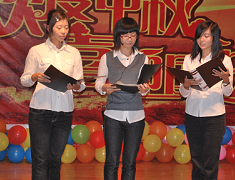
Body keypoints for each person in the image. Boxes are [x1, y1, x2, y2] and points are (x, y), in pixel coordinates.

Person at [20, 9, 85, 180]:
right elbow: (24, 80)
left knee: (56, 159)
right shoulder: (36, 51)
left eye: (66, 27)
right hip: (41, 111)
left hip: (64, 112)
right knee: (40, 159)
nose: (63, 31)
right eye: (59, 27)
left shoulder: (74, 53)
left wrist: (77, 85)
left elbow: (81, 83)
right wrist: (35, 76)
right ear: (48, 27)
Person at [95, 18, 150, 180]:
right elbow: (98, 83)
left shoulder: (143, 58)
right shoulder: (107, 57)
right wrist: (104, 88)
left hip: (136, 116)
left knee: (130, 163)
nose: (129, 39)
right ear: (118, 36)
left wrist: (144, 90)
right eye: (125, 35)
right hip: (113, 115)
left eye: (133, 35)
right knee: (111, 162)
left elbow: (143, 87)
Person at [179, 20, 233, 180]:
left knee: (211, 161)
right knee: (196, 159)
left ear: (214, 38)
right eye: (199, 36)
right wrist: (186, 85)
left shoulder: (224, 60)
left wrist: (225, 80)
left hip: (214, 116)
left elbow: (228, 92)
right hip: (192, 115)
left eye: (206, 36)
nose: (201, 40)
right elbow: (183, 93)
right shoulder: (189, 59)